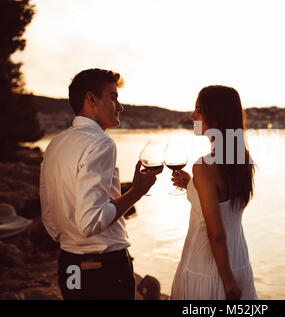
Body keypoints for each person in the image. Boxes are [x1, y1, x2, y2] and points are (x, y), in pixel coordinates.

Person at [39, 68, 162, 300]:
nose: (120, 106)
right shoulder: (100, 143)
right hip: (105, 271)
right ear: (91, 99)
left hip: (69, 264)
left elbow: (48, 215)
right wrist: (137, 192)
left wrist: (71, 242)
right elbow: (90, 222)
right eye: (113, 97)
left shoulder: (56, 143)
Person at [170, 85, 258, 300]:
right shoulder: (242, 159)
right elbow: (225, 203)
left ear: (216, 118)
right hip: (238, 262)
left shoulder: (205, 167)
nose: (192, 115)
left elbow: (216, 234)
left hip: (209, 271)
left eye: (198, 110)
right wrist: (192, 186)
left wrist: (227, 282)